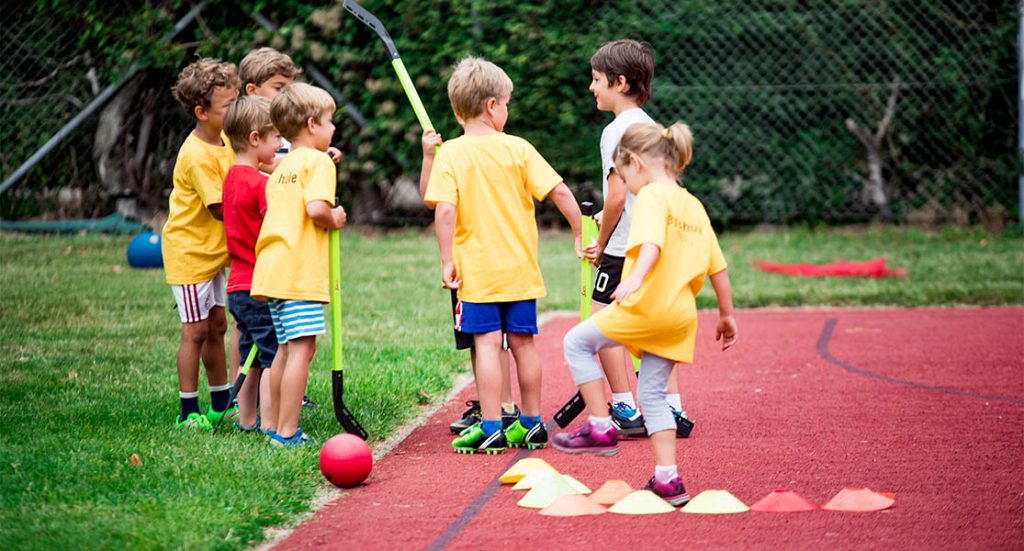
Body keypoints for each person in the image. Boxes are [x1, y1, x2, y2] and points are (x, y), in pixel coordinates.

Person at [551, 122, 738, 506]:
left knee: (576, 341)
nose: (628, 187)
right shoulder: (693, 204)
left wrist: (634, 278)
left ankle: (601, 425)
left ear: (636, 164)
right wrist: (726, 314)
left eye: (623, 176)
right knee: (653, 395)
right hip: (682, 318)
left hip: (650, 305)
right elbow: (717, 266)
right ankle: (668, 479)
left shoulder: (653, 196)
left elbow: (650, 242)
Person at [424, 57, 582, 454]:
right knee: (524, 344)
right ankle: (531, 424)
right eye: (507, 102)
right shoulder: (519, 148)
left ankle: (492, 424)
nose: (507, 110)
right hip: (520, 270)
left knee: (487, 344)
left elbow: (443, 209)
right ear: (493, 105)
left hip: (478, 275)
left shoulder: (451, 155)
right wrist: (580, 230)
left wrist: (446, 260)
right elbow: (560, 192)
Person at [586, 39, 692, 437]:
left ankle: (625, 406)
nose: (592, 88)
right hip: (654, 242)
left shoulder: (616, 131)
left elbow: (616, 195)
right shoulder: (652, 127)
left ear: (620, 82)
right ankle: (671, 409)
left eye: (596, 80)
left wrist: (601, 239)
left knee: (603, 322)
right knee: (653, 325)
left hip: (624, 246)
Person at [239, 46, 342, 409]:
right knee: (303, 350)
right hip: (299, 274)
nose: (333, 129)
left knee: (280, 350)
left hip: (271, 271)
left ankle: (272, 425)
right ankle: (287, 426)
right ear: (313, 125)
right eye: (330, 122)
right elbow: (316, 209)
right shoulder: (318, 163)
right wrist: (336, 217)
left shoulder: (276, 164)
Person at [420, 131, 521, 435]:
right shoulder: (452, 153)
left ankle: (504, 407)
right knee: (479, 342)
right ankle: (490, 405)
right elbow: (432, 200)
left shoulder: (507, 151)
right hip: (467, 265)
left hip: (498, 262)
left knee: (495, 340)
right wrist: (428, 156)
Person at [162, 58, 240, 430]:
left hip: (215, 254)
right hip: (190, 254)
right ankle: (188, 411)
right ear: (201, 112)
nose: (236, 109)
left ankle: (221, 403)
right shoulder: (196, 155)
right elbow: (221, 209)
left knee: (218, 325)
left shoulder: (225, 138)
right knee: (194, 330)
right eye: (228, 105)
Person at [221, 95, 282, 433]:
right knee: (274, 355)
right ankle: (273, 425)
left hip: (237, 286)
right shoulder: (261, 185)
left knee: (250, 354)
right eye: (276, 137)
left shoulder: (231, 178)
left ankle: (246, 421)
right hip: (260, 285)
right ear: (256, 138)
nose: (281, 144)